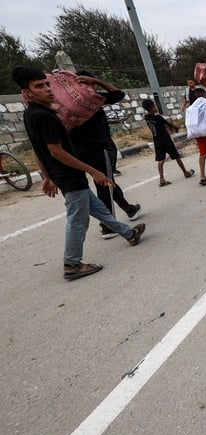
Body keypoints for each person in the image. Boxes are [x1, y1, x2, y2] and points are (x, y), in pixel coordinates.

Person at [12, 66, 145, 280]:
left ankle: (129, 234)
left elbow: (40, 149)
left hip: (63, 175)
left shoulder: (32, 114)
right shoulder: (46, 117)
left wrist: (46, 176)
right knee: (78, 219)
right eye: (39, 86)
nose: (47, 89)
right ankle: (72, 264)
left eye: (47, 84)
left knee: (98, 209)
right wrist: (93, 172)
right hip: (69, 176)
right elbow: (56, 152)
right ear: (27, 93)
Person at [69, 72, 142, 239]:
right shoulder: (91, 100)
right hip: (97, 148)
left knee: (107, 181)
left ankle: (129, 208)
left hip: (77, 152)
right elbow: (118, 94)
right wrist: (96, 81)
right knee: (105, 185)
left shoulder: (68, 105)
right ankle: (108, 226)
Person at [142, 99, 195, 186]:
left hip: (157, 141)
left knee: (161, 160)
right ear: (151, 108)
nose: (155, 107)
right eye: (154, 106)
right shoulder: (158, 117)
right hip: (166, 140)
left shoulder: (147, 118)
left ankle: (162, 179)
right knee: (176, 157)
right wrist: (175, 127)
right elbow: (169, 124)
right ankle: (186, 173)